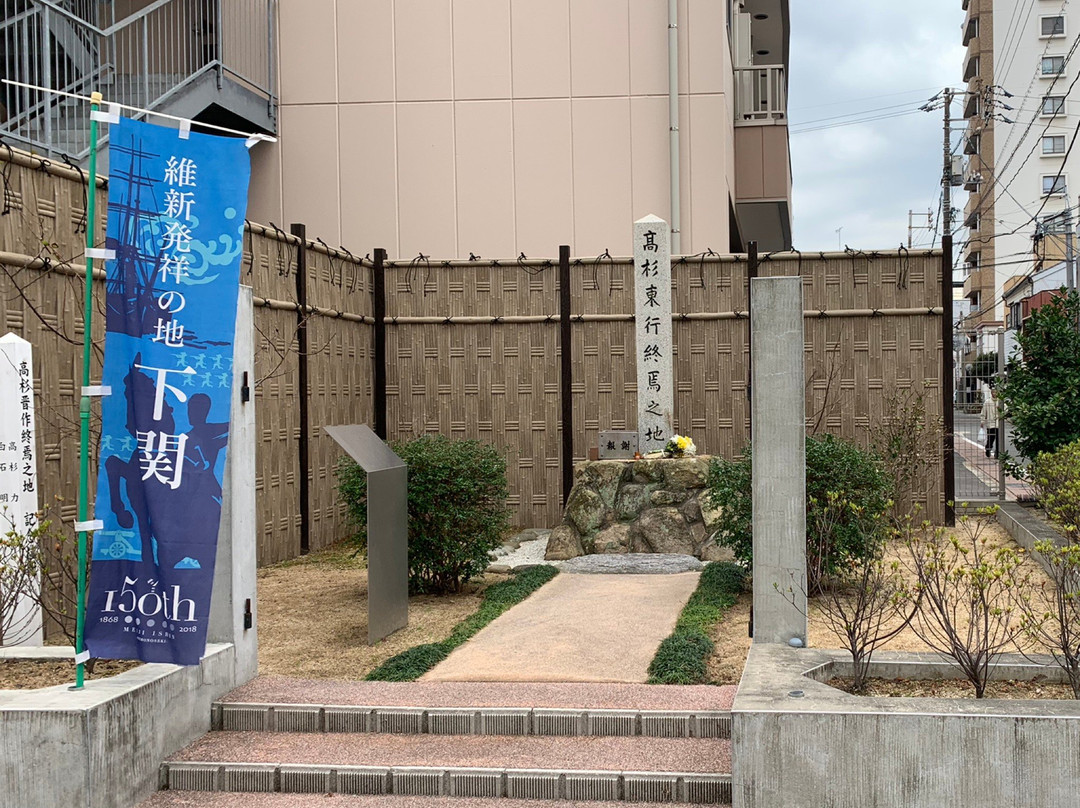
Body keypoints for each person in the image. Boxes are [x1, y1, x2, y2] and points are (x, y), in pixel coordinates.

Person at [980, 385, 1000, 459]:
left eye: (996, 392)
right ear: (991, 393)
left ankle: (997, 453)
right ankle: (988, 448)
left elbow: (1005, 409)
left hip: (998, 423)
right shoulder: (987, 402)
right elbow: (983, 412)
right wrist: (982, 421)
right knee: (991, 438)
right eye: (993, 392)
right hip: (990, 424)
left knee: (999, 440)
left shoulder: (1000, 402)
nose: (995, 394)